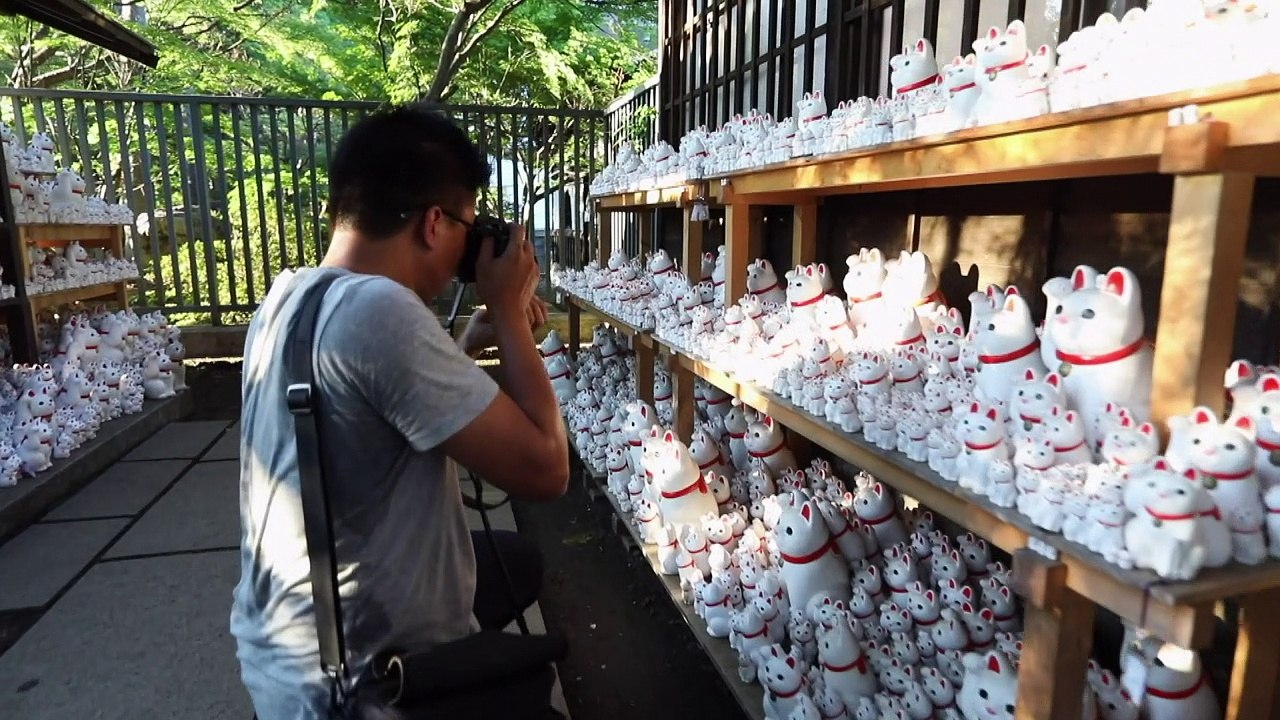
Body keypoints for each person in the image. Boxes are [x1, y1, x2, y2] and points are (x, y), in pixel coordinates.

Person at [230, 103, 570, 720]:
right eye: (468, 225)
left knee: (516, 562)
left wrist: (465, 344)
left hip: (283, 655)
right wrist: (511, 317)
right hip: (356, 690)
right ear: (435, 223)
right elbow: (547, 469)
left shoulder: (288, 296)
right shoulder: (382, 313)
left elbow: (371, 406)